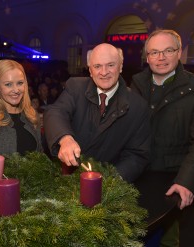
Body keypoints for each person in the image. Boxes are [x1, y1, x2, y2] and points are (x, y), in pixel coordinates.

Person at [131, 29, 194, 247]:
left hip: (171, 180)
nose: (161, 58)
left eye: (168, 50)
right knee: (132, 239)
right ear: (147, 57)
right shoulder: (135, 84)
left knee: (166, 239)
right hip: (136, 174)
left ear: (180, 53)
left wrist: (186, 182)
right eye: (154, 52)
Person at [44, 43, 151, 182]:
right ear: (90, 70)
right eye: (97, 66)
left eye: (110, 65)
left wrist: (111, 181)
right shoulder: (75, 87)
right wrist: (65, 139)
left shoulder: (138, 106)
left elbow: (137, 155)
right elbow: (55, 111)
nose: (104, 72)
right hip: (68, 178)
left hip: (108, 183)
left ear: (121, 66)